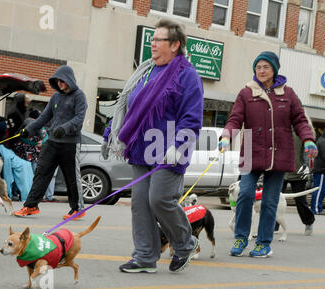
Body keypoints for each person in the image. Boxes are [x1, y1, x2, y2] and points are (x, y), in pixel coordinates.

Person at [105, 19, 203, 273]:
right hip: (141, 148)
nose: (153, 43)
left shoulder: (187, 74)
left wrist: (178, 146)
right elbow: (130, 107)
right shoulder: (146, 71)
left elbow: (191, 118)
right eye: (152, 39)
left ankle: (185, 243)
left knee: (159, 199)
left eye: (159, 39)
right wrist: (111, 131)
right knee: (140, 203)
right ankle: (145, 257)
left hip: (169, 149)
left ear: (175, 44)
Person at [219, 51, 317, 258]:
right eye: (258, 67)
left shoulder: (288, 94)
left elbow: (300, 120)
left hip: (279, 153)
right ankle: (241, 237)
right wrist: (227, 136)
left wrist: (308, 139)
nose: (261, 71)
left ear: (274, 70)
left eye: (266, 67)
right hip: (251, 151)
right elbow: (235, 118)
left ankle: (263, 243)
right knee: (244, 194)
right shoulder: (246, 93)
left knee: (270, 201)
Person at [14, 65, 87, 220]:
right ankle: (31, 205)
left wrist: (65, 128)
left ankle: (77, 209)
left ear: (70, 80)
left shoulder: (79, 96)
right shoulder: (55, 97)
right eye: (57, 81)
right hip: (53, 142)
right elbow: (44, 117)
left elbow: (80, 118)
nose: (60, 83)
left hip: (70, 143)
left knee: (72, 177)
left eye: (62, 80)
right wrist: (29, 129)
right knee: (41, 172)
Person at [282, 114, 316, 236]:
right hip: (281, 170)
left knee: (300, 201)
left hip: (298, 171)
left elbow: (308, 153)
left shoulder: (304, 131)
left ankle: (308, 221)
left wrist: (306, 168)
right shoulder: (283, 128)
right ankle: (273, 224)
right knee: (274, 199)